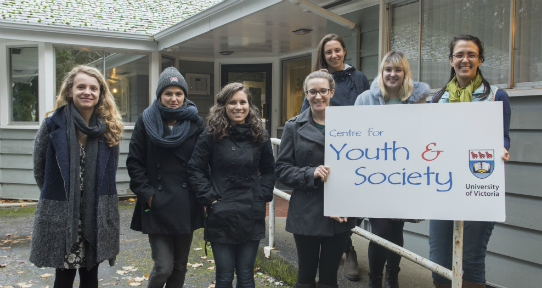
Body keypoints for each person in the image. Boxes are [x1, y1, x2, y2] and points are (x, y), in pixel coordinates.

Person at [30, 65, 124, 288]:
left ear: (101, 94)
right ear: (70, 91)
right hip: (63, 214)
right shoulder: (52, 125)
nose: (87, 92)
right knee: (63, 278)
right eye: (81, 87)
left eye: (93, 88)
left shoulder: (108, 128)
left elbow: (110, 172)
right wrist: (59, 195)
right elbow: (39, 168)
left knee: (90, 277)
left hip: (96, 213)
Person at [429, 35, 511, 288]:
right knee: (439, 264)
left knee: (472, 260)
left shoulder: (496, 96)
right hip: (444, 187)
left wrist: (503, 150)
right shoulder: (438, 98)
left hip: (479, 186)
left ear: (480, 59)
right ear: (451, 60)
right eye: (460, 54)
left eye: (471, 54)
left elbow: (503, 138)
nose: (465, 59)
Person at [187, 82, 275, 288]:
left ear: (249, 106)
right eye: (232, 102)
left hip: (251, 211)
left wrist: (261, 195)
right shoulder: (210, 135)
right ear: (224, 106)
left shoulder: (260, 136)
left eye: (242, 102)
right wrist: (210, 198)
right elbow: (195, 169)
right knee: (224, 276)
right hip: (221, 212)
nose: (238, 107)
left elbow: (269, 170)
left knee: (246, 275)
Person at [355, 51, 430, 288]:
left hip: (405, 176)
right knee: (381, 228)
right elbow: (355, 134)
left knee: (396, 229)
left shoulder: (417, 100)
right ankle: (375, 280)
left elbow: (425, 134)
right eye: (388, 69)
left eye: (398, 69)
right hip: (375, 175)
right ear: (382, 72)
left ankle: (392, 277)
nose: (392, 74)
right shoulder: (366, 99)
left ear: (405, 73)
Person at [276, 69, 356, 288]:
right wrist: (308, 172)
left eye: (323, 91)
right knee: (305, 278)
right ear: (306, 93)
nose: (318, 96)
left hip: (339, 212)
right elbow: (281, 170)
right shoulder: (293, 126)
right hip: (306, 213)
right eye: (313, 92)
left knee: (330, 278)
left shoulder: (349, 124)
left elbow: (360, 168)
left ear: (331, 92)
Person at [127, 67, 205, 288]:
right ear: (159, 96)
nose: (174, 99)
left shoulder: (196, 122)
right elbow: (135, 162)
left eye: (178, 94)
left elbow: (202, 162)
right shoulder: (146, 120)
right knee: (163, 267)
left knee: (180, 266)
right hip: (157, 202)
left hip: (186, 202)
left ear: (185, 96)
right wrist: (148, 195)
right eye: (168, 93)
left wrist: (202, 195)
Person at [301, 33, 370, 282]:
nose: (334, 55)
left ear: (344, 51)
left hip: (353, 147)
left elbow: (368, 109)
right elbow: (304, 113)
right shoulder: (315, 81)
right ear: (324, 54)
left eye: (338, 50)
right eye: (329, 51)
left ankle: (345, 243)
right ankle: (348, 250)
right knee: (327, 200)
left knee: (350, 203)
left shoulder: (358, 78)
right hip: (322, 146)